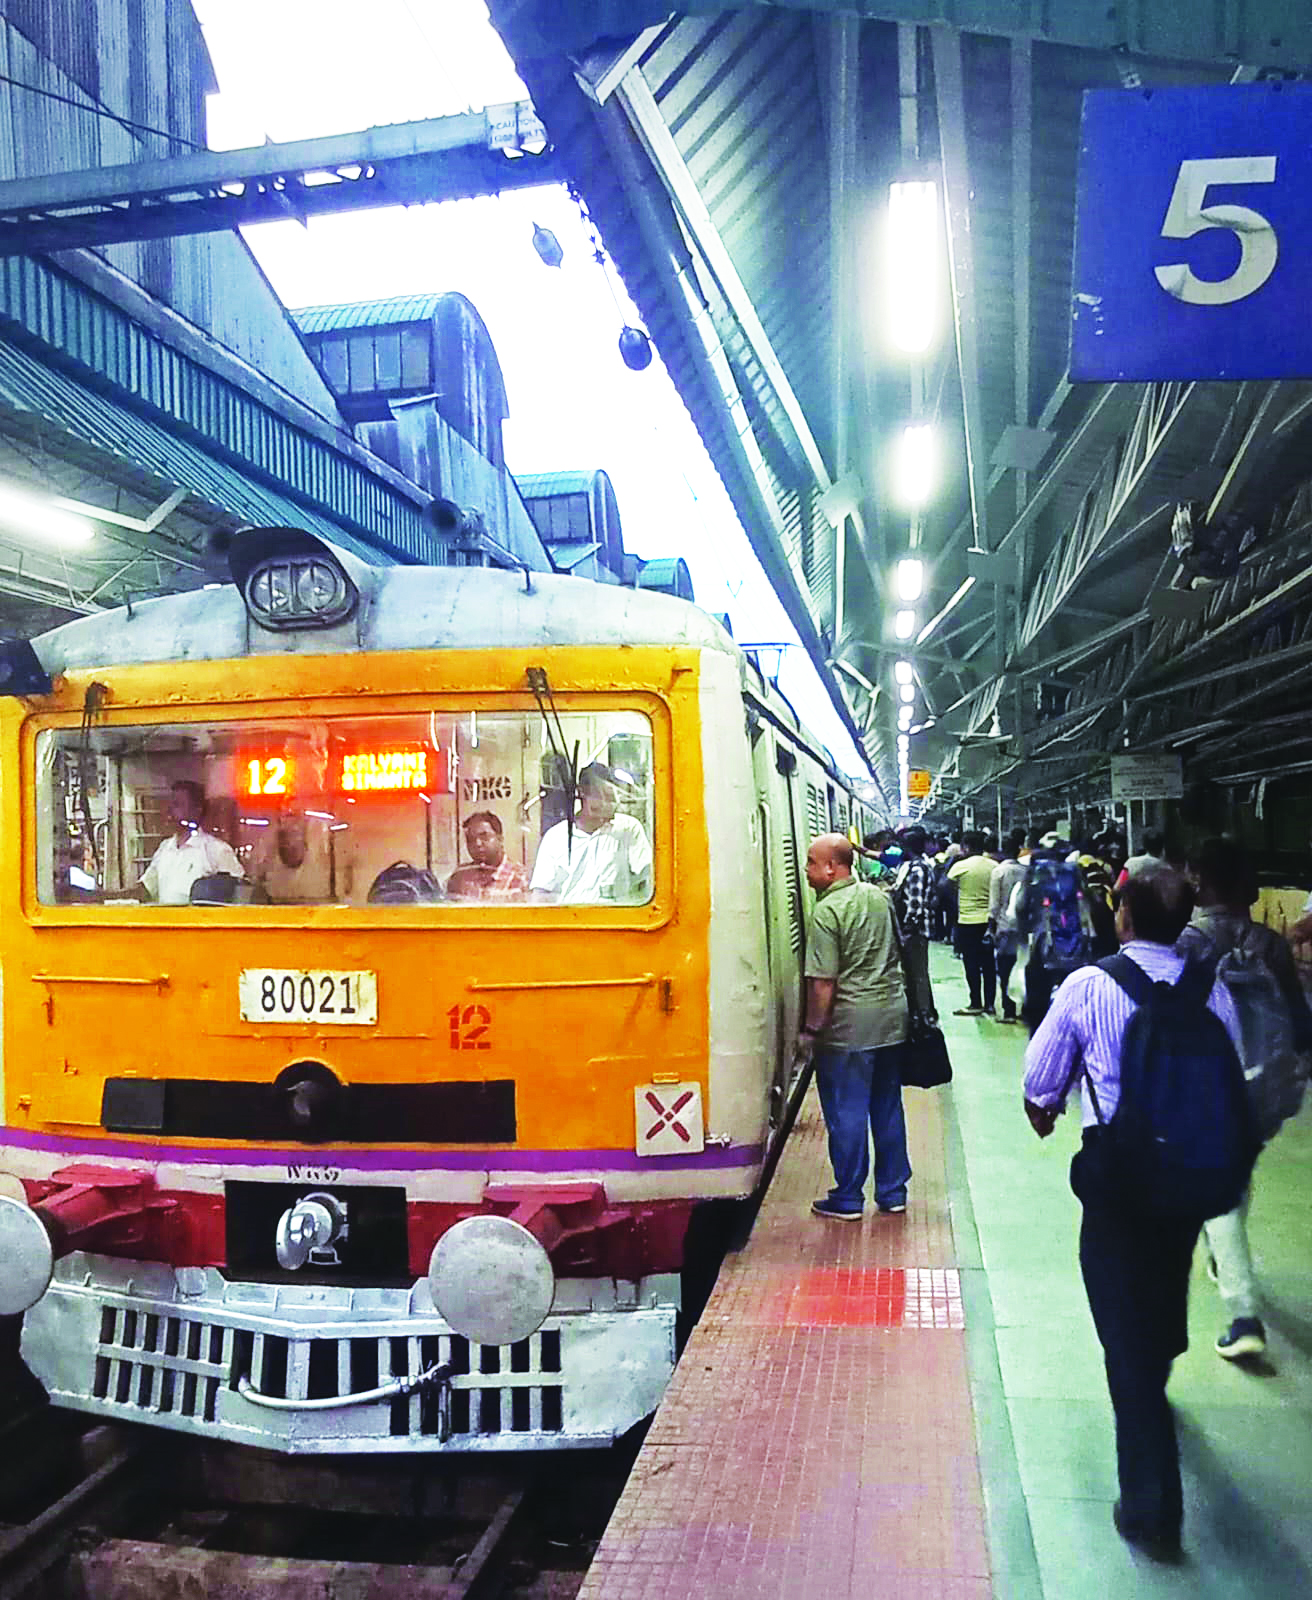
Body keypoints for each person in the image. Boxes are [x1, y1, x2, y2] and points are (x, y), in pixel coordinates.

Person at [1022, 865, 1243, 1561]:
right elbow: (1231, 1074)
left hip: (1119, 1178)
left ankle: (1151, 1509)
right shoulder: (1214, 989)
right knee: (1164, 1284)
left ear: (1121, 915)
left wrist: (1047, 1109)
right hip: (1188, 1176)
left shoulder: (1090, 985)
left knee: (1124, 1334)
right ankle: (1160, 1357)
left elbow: (1039, 1078)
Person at [1178, 837, 1312, 1362]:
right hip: (1266, 1086)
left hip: (1210, 1083)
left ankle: (1244, 1315)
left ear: (1201, 884)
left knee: (1220, 1192)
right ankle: (1221, 1257)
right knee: (1235, 1175)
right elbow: (1299, 1022)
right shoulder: (1269, 945)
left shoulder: (1191, 942)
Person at [799, 833, 911, 1220]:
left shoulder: (826, 912)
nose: (807, 870)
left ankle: (848, 1197)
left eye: (812, 862)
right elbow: (900, 948)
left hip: (849, 1027)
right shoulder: (879, 897)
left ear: (833, 867)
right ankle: (893, 1192)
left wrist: (812, 1030)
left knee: (847, 1111)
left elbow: (823, 982)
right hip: (891, 1020)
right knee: (887, 1106)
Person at [529, 763, 652, 904]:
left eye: (612, 798)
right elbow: (541, 894)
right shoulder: (556, 837)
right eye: (601, 797)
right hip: (571, 920)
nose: (608, 804)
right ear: (582, 793)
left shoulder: (628, 829)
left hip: (617, 920)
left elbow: (648, 878)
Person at [138, 780, 244, 905]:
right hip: (165, 922)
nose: (171, 811)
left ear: (197, 810)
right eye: (171, 804)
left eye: (178, 804)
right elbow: (146, 888)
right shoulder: (165, 848)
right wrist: (112, 897)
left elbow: (240, 893)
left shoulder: (217, 850)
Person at [949, 831, 997, 1015]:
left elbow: (944, 886)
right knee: (989, 965)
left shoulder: (960, 866)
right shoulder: (994, 866)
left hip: (967, 921)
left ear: (966, 847)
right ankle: (991, 1004)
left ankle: (975, 1002)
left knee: (971, 964)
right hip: (989, 922)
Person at [893, 826, 937, 1022]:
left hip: (916, 931)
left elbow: (915, 905)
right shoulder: (920, 865)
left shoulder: (917, 869)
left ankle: (923, 1015)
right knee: (916, 973)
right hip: (918, 930)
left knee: (917, 974)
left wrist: (907, 930)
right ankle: (924, 1011)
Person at [446, 812, 530, 901]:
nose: (477, 844)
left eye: (484, 837)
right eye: (471, 840)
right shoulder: (460, 876)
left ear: (500, 839)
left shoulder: (520, 877)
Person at [988, 832, 1027, 1022]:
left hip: (1004, 927)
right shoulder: (1026, 871)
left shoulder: (999, 871)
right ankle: (1025, 1008)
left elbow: (994, 905)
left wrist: (990, 927)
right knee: (1023, 967)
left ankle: (1009, 1011)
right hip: (1025, 929)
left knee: (1004, 969)